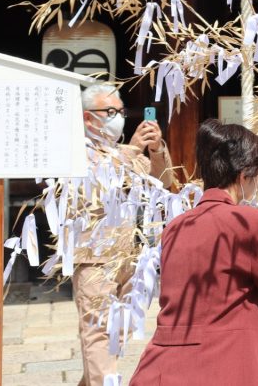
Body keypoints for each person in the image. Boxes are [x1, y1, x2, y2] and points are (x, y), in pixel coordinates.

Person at [130, 120, 258, 386]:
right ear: (244, 175)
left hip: (162, 367)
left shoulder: (175, 227)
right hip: (224, 367)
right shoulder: (251, 223)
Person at [74, 83, 174, 386]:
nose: (117, 117)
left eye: (120, 111)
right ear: (88, 118)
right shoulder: (77, 151)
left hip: (128, 257)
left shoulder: (120, 151)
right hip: (95, 258)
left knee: (115, 337)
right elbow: (96, 188)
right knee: (99, 333)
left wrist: (157, 149)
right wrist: (132, 149)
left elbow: (164, 181)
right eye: (110, 111)